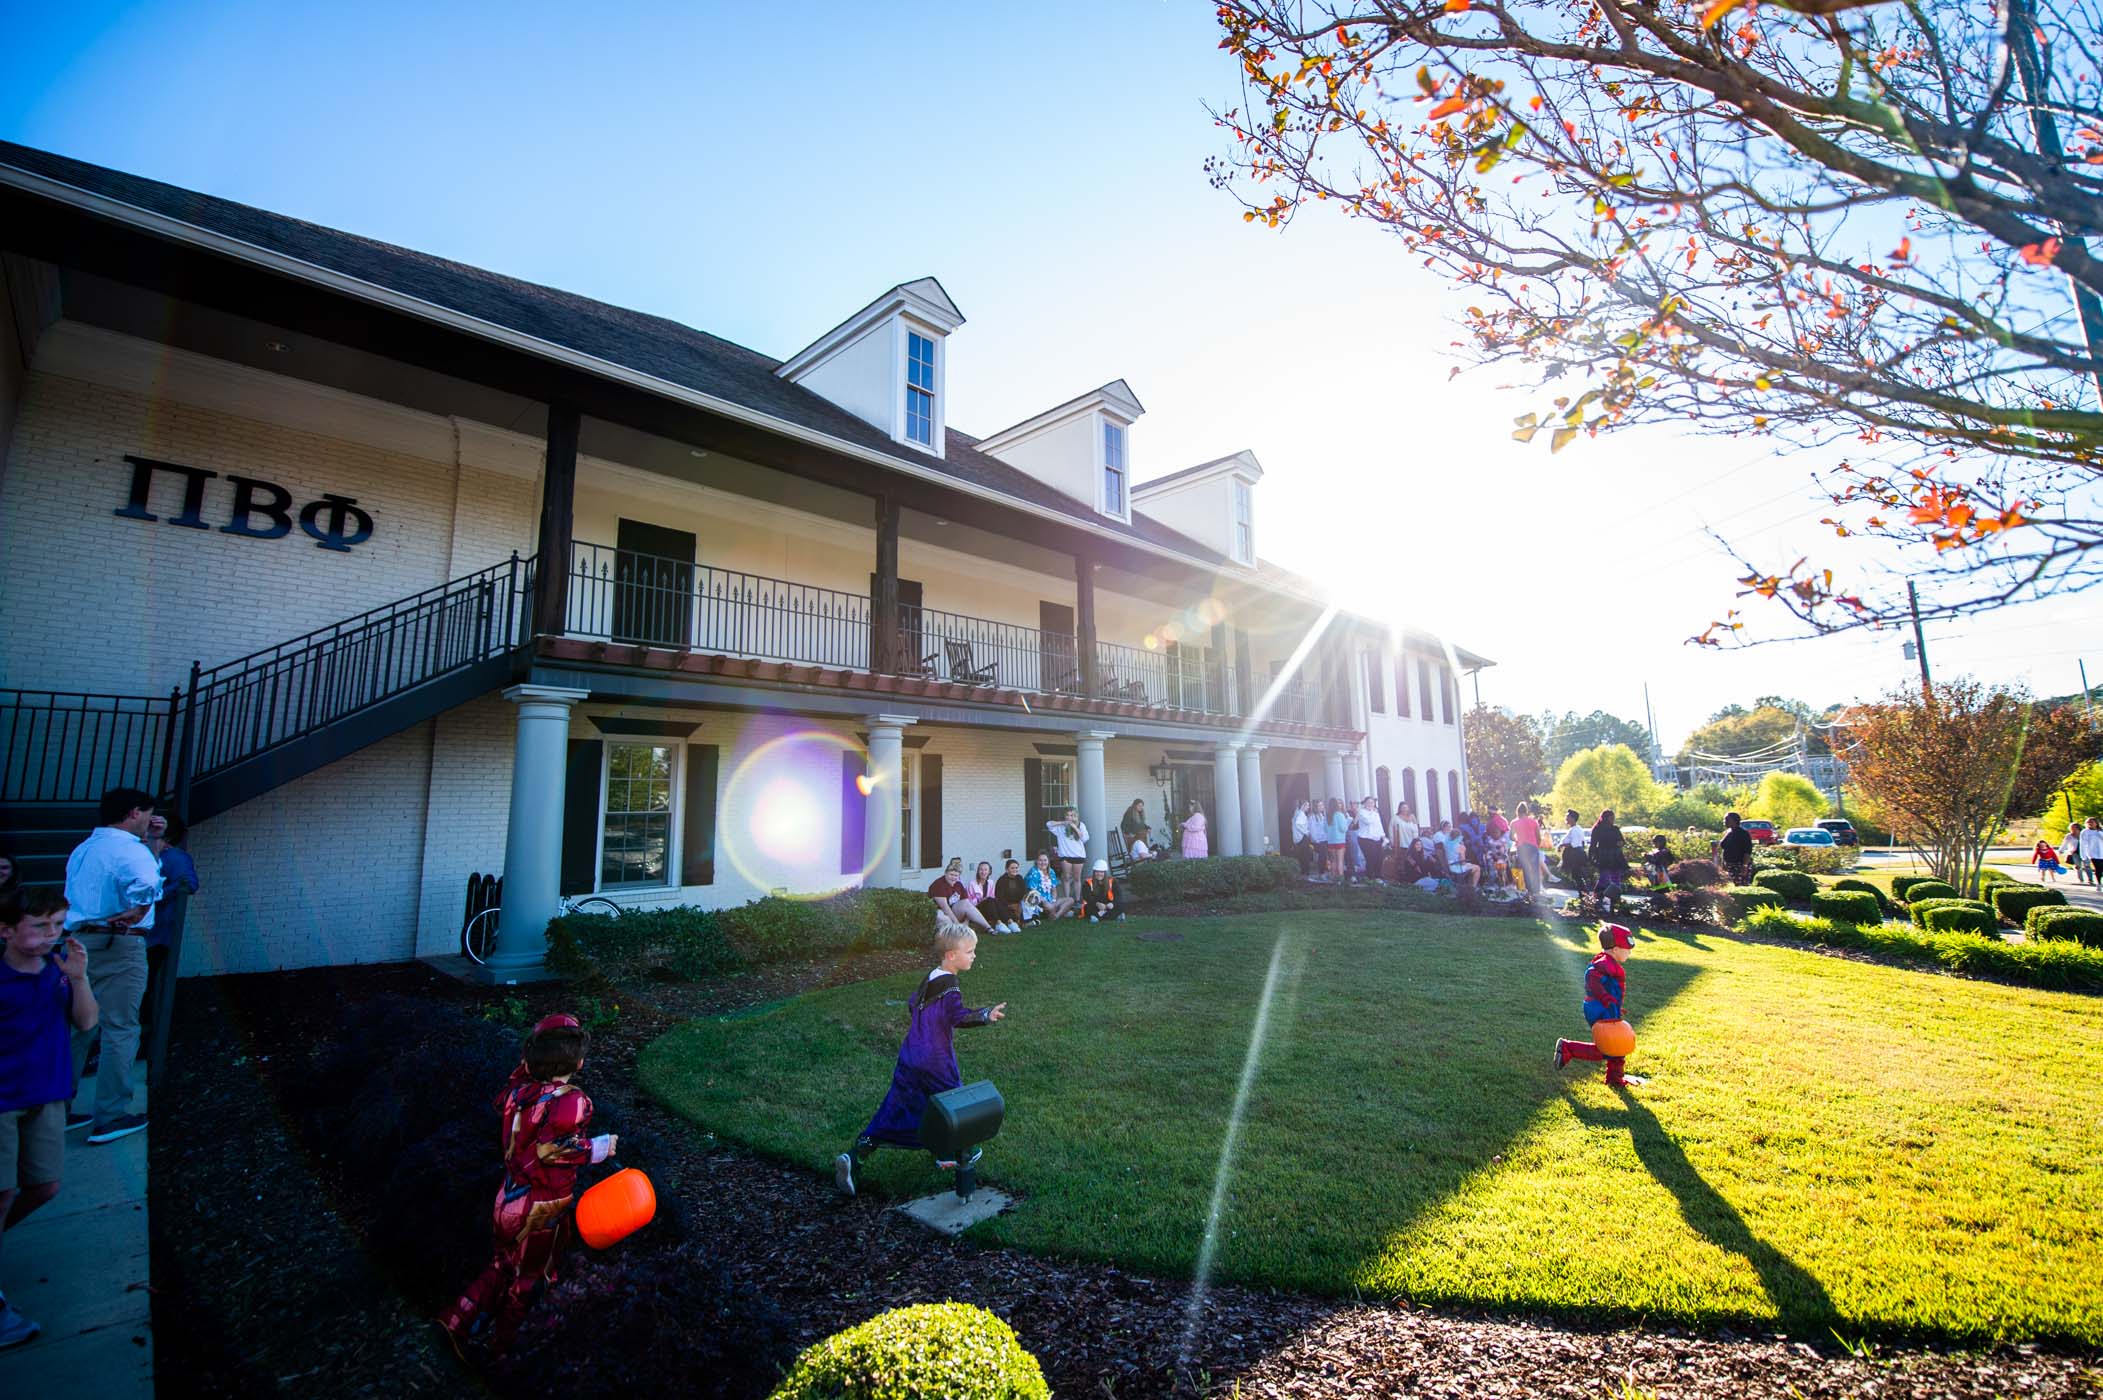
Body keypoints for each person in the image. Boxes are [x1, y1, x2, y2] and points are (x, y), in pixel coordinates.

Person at [438, 1013, 616, 1356]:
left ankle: (455, 1323)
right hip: (541, 1207)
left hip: (507, 1198)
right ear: (577, 1062)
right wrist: (597, 1148)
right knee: (529, 1283)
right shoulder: (572, 1099)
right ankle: (504, 1352)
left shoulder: (518, 1092)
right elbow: (551, 1149)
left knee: (502, 1265)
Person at [836, 923, 1006, 1196]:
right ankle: (956, 1151)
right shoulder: (950, 984)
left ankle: (856, 1155)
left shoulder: (931, 977)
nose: (974, 956)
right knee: (952, 1105)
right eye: (970, 951)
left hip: (911, 1054)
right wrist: (985, 1015)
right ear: (951, 955)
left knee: (897, 1106)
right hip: (935, 1059)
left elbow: (912, 1002)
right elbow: (958, 1016)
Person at [1, 887, 99, 1349]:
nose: (52, 935)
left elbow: (86, 1024)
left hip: (48, 1091)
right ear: (6, 930)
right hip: (3, 1096)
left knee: (44, 1186)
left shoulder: (59, 973)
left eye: (58, 925)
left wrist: (79, 979)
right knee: (1, 1190)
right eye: (40, 926)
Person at [63, 787, 162, 1145]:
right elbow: (149, 880)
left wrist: (152, 841)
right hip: (120, 943)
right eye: (148, 814)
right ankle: (112, 1115)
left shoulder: (84, 849)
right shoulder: (128, 849)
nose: (152, 821)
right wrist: (138, 908)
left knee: (79, 1027)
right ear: (134, 812)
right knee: (120, 1027)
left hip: (79, 942)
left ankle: (59, 1109)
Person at [1554, 923, 1643, 1088]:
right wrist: (1606, 999)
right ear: (1615, 949)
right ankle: (1569, 1048)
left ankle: (1615, 1079)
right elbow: (1592, 977)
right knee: (1611, 1047)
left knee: (1615, 1045)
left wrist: (1615, 1006)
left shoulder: (1607, 961)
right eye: (1627, 949)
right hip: (1600, 1008)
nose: (1630, 953)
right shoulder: (1605, 964)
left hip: (1604, 1007)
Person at [138, 812, 199, 1043]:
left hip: (154, 934)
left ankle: (143, 1038)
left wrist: (154, 895)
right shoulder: (139, 854)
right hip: (142, 933)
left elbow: (189, 884)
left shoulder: (174, 858)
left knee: (143, 987)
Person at [928, 858, 993, 934]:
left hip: (953, 912)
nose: (953, 877)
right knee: (941, 916)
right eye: (951, 874)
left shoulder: (958, 885)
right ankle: (957, 930)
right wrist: (958, 924)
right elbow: (945, 908)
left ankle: (988, 928)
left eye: (956, 875)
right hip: (940, 913)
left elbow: (967, 904)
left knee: (965, 903)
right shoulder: (938, 885)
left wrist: (966, 921)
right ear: (945, 873)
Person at [1590, 810, 1629, 912]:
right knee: (1604, 878)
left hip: (1615, 856)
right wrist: (1591, 857)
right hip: (1604, 856)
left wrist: (1619, 843)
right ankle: (1597, 898)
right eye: (1611, 818)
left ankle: (1614, 901)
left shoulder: (1615, 829)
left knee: (1616, 878)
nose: (1613, 820)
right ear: (1606, 818)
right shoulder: (1598, 829)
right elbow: (1593, 844)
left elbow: (1622, 841)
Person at [965, 860, 1017, 935]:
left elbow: (992, 897)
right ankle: (999, 923)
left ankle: (1010, 922)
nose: (983, 872)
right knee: (990, 900)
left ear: (989, 871)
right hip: (976, 909)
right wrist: (981, 900)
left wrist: (987, 899)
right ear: (978, 871)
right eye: (981, 869)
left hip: (989, 907)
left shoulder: (991, 882)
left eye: (986, 870)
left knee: (994, 901)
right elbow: (969, 902)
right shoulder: (972, 883)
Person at [1046, 809, 1089, 898]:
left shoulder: (1081, 825)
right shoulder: (1060, 828)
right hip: (1065, 855)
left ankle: (1077, 899)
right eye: (1068, 815)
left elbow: (1084, 838)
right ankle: (1067, 899)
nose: (1069, 817)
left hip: (1078, 855)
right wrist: (1063, 823)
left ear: (1075, 817)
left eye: (1072, 815)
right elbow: (1049, 824)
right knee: (1066, 878)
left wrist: (1074, 826)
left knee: (1077, 878)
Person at [1025, 851, 1075, 922]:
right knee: (1050, 906)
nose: (1043, 862)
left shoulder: (1051, 872)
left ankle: (1056, 915)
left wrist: (1053, 901)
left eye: (1045, 860)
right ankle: (1059, 911)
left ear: (1048, 861)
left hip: (1050, 900)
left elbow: (1054, 890)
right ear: (1036, 861)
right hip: (1038, 901)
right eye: (1040, 860)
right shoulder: (1034, 872)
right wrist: (1045, 901)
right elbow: (1033, 892)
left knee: (1070, 900)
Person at [1509, 802, 1545, 898]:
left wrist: (1517, 839)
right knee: (1534, 868)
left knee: (1526, 869)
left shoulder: (1514, 822)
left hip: (1522, 847)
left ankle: (1529, 890)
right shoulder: (1533, 822)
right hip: (1533, 846)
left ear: (1517, 811)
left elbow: (1511, 837)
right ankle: (1536, 891)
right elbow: (1538, 837)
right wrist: (1537, 845)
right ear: (1526, 811)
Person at [1556, 810, 1594, 894]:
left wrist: (1562, 845)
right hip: (1577, 853)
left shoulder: (1575, 830)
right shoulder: (1576, 828)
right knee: (1577, 875)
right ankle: (1584, 893)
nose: (1566, 818)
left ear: (1573, 818)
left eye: (1568, 816)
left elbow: (1574, 844)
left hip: (1575, 855)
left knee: (1577, 875)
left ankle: (1584, 894)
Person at [1435, 820, 1480, 889]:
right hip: (1457, 867)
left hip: (1449, 866)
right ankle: (1473, 888)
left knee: (1470, 865)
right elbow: (1462, 862)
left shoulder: (1447, 845)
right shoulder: (1459, 847)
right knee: (1477, 868)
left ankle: (1468, 887)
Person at [991, 858, 1033, 928]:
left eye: (1016, 868)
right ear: (1007, 869)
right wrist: (1011, 906)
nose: (1015, 870)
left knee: (1028, 905)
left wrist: (1020, 904)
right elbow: (999, 897)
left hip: (1019, 904)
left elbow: (1024, 892)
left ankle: (1025, 922)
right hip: (1006, 905)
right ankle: (1019, 923)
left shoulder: (1019, 878)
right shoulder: (1001, 880)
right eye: (1012, 868)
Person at [1354, 797, 1386, 885]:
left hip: (1376, 838)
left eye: (1372, 803)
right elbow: (1368, 821)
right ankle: (1369, 877)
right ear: (1364, 803)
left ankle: (1378, 876)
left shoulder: (1376, 813)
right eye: (1368, 802)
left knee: (1379, 857)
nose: (1370, 804)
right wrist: (1373, 812)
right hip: (1365, 838)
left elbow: (1379, 825)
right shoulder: (1361, 812)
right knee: (1371, 857)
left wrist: (1383, 837)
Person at [1717, 811, 1754, 886]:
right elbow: (1725, 848)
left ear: (1734, 821)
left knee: (1740, 886)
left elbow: (1747, 851)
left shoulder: (1743, 834)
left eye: (1727, 819)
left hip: (1739, 865)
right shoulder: (1728, 832)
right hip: (1729, 865)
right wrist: (1723, 863)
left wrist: (1745, 866)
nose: (1724, 821)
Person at [1325, 798, 1350, 880]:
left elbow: (1325, 829)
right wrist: (1347, 822)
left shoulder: (1327, 816)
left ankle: (1333, 878)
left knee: (1333, 861)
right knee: (1340, 861)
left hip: (1330, 841)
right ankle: (1341, 879)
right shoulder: (1340, 815)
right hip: (1340, 840)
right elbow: (1344, 828)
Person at [1291, 800, 1314, 876]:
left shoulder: (1299, 813)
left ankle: (1303, 871)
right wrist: (1306, 832)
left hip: (1300, 838)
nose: (1308, 807)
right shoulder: (1301, 814)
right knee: (1305, 855)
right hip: (1303, 838)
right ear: (1303, 806)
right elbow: (1298, 824)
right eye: (1307, 805)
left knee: (1303, 855)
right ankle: (1306, 872)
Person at [2083, 817, 2103, 885]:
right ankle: (2099, 883)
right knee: (2098, 868)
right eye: (2088, 822)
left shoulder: (2101, 831)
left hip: (2102, 852)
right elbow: (2083, 843)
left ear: (2096, 823)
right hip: (2092, 853)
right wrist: (2084, 855)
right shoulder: (2085, 832)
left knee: (2101, 868)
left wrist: (2099, 832)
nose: (2090, 823)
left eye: (2092, 822)